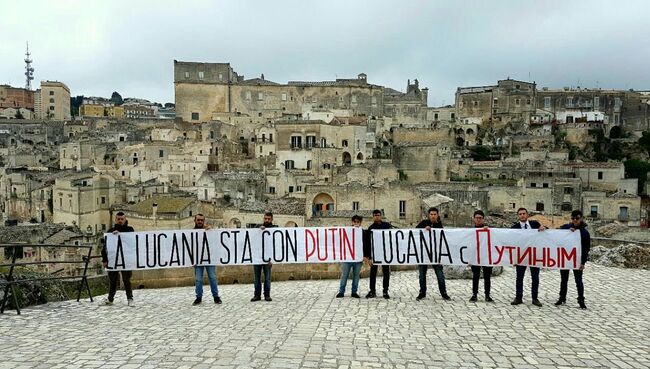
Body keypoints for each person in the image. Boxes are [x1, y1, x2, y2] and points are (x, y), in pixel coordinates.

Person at [511, 208, 545, 307]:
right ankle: (518, 297)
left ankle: (535, 298)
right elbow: (511, 242)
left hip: (534, 255)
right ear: (518, 216)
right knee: (519, 278)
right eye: (520, 214)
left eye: (524, 213)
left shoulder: (535, 224)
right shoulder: (514, 228)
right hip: (521, 256)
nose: (522, 215)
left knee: (535, 277)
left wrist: (543, 228)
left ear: (527, 215)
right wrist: (513, 258)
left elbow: (545, 231)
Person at [556, 210, 590, 309]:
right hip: (566, 258)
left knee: (578, 281)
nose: (575, 220)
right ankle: (562, 297)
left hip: (577, 260)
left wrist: (583, 262)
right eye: (573, 218)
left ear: (581, 219)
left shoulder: (584, 233)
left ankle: (581, 300)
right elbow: (556, 232)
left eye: (577, 218)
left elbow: (586, 249)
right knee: (564, 279)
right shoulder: (566, 227)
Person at [101, 212, 135, 307]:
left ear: (125, 219)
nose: (120, 221)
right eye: (118, 219)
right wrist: (104, 260)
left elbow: (132, 241)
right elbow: (105, 247)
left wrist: (120, 235)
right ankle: (110, 299)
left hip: (126, 259)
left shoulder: (130, 230)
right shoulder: (110, 231)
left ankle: (130, 298)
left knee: (126, 280)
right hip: (113, 259)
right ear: (115, 220)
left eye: (122, 219)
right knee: (113, 281)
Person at [416, 207, 450, 301]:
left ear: (437, 215)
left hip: (436, 254)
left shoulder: (439, 225)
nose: (433, 216)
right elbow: (415, 232)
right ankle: (422, 293)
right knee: (422, 275)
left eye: (435, 214)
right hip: (424, 253)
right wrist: (424, 229)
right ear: (429, 215)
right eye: (431, 214)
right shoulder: (423, 223)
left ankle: (444, 293)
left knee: (440, 275)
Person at [192, 214, 221, 305]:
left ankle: (216, 297)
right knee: (198, 279)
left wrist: (210, 230)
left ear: (204, 221)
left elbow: (215, 240)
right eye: (198, 220)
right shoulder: (191, 232)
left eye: (201, 220)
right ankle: (198, 297)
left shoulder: (209, 230)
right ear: (195, 220)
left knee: (212, 278)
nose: (200, 222)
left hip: (209, 258)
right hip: (198, 259)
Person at [365, 209, 392, 299]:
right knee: (373, 273)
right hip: (374, 254)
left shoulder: (387, 226)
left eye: (378, 215)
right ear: (373, 217)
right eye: (375, 215)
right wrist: (368, 257)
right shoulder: (371, 228)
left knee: (386, 273)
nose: (377, 216)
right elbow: (368, 243)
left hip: (385, 253)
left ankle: (385, 291)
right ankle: (372, 291)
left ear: (381, 216)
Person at [336, 215, 364, 299]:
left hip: (358, 259)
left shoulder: (363, 232)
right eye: (354, 222)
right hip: (347, 257)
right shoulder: (347, 231)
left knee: (356, 276)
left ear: (360, 223)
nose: (356, 223)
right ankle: (341, 292)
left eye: (358, 222)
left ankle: (354, 292)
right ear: (352, 222)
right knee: (344, 275)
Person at [469, 210, 494, 303]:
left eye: (480, 218)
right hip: (475, 256)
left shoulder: (489, 230)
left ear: (483, 219)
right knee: (475, 276)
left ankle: (487, 295)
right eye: (477, 218)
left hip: (486, 256)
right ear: (474, 219)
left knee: (487, 276)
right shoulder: (470, 231)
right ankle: (474, 294)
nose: (478, 220)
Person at [251, 212, 276, 302]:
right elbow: (251, 235)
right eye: (265, 218)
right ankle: (257, 295)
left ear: (272, 219)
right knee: (256, 278)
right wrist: (259, 229)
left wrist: (272, 258)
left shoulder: (275, 229)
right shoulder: (258, 227)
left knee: (267, 278)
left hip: (268, 258)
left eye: (269, 219)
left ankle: (267, 295)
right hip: (257, 257)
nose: (267, 220)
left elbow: (276, 245)